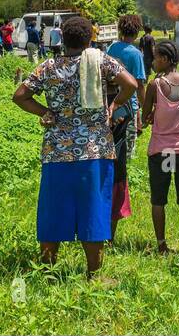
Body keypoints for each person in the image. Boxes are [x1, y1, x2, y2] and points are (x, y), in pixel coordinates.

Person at [13, 16, 137, 279]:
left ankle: (47, 270)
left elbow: (20, 96)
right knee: (93, 208)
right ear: (89, 39)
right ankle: (94, 274)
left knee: (53, 209)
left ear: (61, 40)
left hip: (57, 151)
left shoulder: (47, 67)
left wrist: (45, 111)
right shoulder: (100, 61)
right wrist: (113, 106)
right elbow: (131, 84)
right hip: (95, 150)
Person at [143, 40, 179, 255]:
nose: (153, 61)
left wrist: (150, 115)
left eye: (156, 57)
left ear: (165, 60)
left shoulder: (155, 86)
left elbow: (145, 117)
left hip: (163, 151)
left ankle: (161, 246)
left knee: (159, 199)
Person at [106, 14, 148, 242]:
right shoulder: (135, 54)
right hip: (127, 109)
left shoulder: (112, 47)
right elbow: (139, 85)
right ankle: (118, 199)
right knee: (123, 157)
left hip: (110, 106)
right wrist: (144, 109)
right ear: (138, 31)